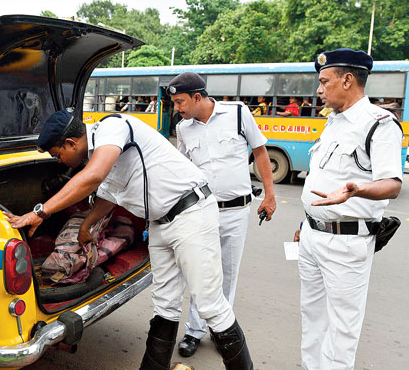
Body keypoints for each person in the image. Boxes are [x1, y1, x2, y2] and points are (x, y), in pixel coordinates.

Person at [5, 109, 254, 370]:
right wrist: (86, 225)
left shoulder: (111, 127)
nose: (59, 161)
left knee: (210, 305)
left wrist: (40, 212)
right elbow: (108, 196)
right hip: (160, 223)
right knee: (165, 305)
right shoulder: (100, 154)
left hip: (191, 213)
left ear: (70, 143)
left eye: (58, 155)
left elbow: (94, 177)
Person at [295, 48, 403, 370]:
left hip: (347, 243)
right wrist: (308, 222)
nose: (319, 89)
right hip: (312, 238)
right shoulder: (334, 123)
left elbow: (392, 184)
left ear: (347, 79)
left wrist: (358, 190)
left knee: (342, 330)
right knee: (311, 319)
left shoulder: (379, 124)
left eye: (324, 81)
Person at [169, 72, 276, 357]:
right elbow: (183, 169)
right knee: (200, 270)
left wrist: (270, 195)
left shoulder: (238, 113)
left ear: (197, 97)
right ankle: (194, 330)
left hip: (237, 210)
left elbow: (261, 153)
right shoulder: (184, 128)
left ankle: (221, 330)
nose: (177, 108)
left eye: (180, 102)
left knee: (228, 274)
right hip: (202, 210)